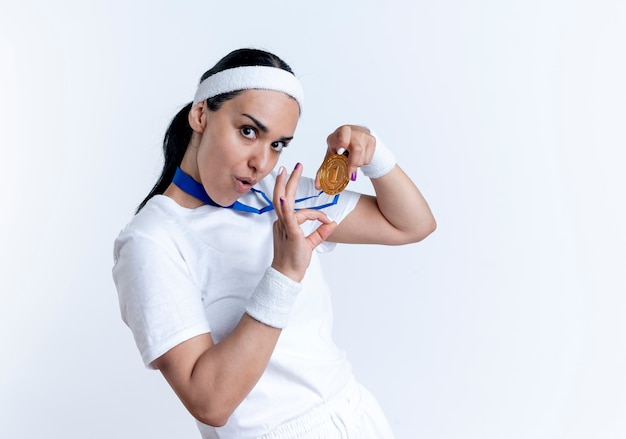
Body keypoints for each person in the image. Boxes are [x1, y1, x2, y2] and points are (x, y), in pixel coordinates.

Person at [112, 48, 436, 438]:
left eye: (278, 144)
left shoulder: (276, 195)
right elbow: (210, 401)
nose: (261, 162)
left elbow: (411, 225)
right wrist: (285, 272)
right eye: (248, 131)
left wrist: (375, 155)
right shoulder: (151, 242)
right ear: (200, 115)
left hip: (355, 416)